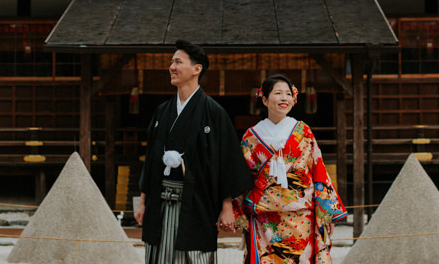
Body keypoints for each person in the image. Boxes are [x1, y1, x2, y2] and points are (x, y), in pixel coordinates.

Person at [135, 40, 253, 264]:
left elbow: (225, 161)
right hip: (159, 200)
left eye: (178, 62)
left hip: (196, 203)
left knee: (194, 255)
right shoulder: (162, 111)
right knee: (159, 255)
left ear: (196, 69)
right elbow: (151, 159)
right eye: (171, 62)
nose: (171, 67)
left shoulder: (214, 112)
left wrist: (226, 206)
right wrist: (143, 202)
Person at [236, 74, 347, 264]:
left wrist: (326, 214)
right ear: (264, 99)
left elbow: (318, 170)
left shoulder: (303, 132)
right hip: (265, 219)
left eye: (288, 93)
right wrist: (236, 210)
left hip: (302, 216)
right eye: (278, 93)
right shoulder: (251, 137)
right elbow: (242, 177)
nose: (284, 98)